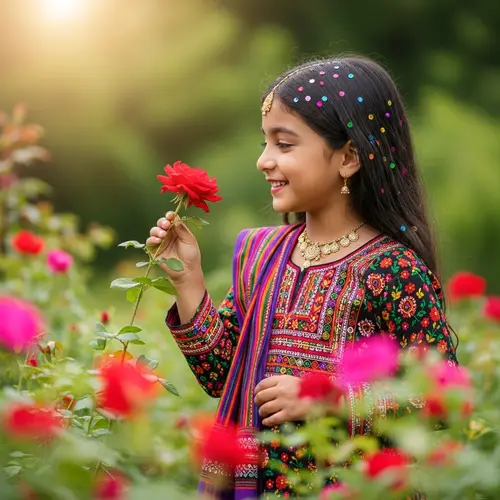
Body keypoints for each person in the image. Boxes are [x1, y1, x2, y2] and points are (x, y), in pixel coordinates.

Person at [146, 56, 458, 499]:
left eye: (284, 145)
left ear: (349, 156)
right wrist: (188, 280)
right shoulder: (263, 254)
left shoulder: (393, 271)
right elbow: (224, 377)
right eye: (265, 143)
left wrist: (326, 399)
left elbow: (440, 403)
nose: (263, 161)